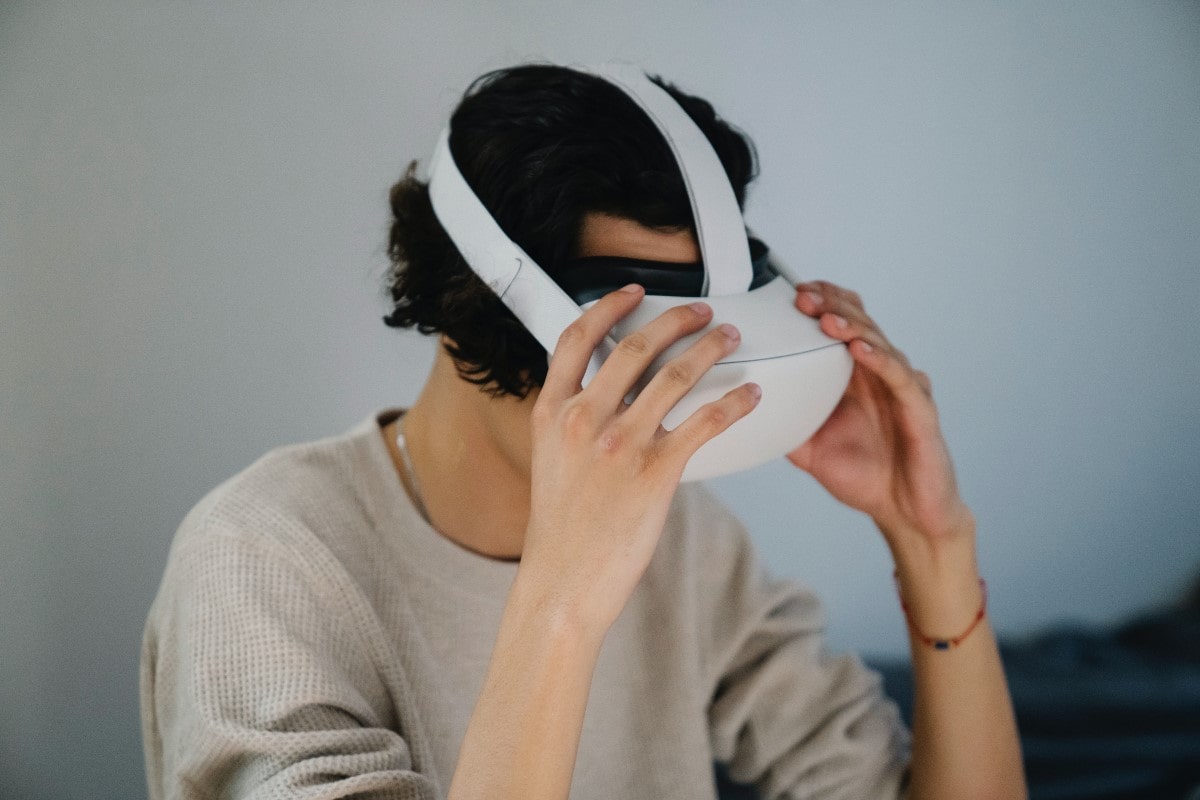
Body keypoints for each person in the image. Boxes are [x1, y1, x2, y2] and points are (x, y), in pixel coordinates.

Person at [140, 64, 1026, 800]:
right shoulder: (266, 558)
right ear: (469, 311)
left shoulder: (686, 538)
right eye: (635, 339)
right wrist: (563, 603)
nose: (664, 395)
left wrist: (930, 538)